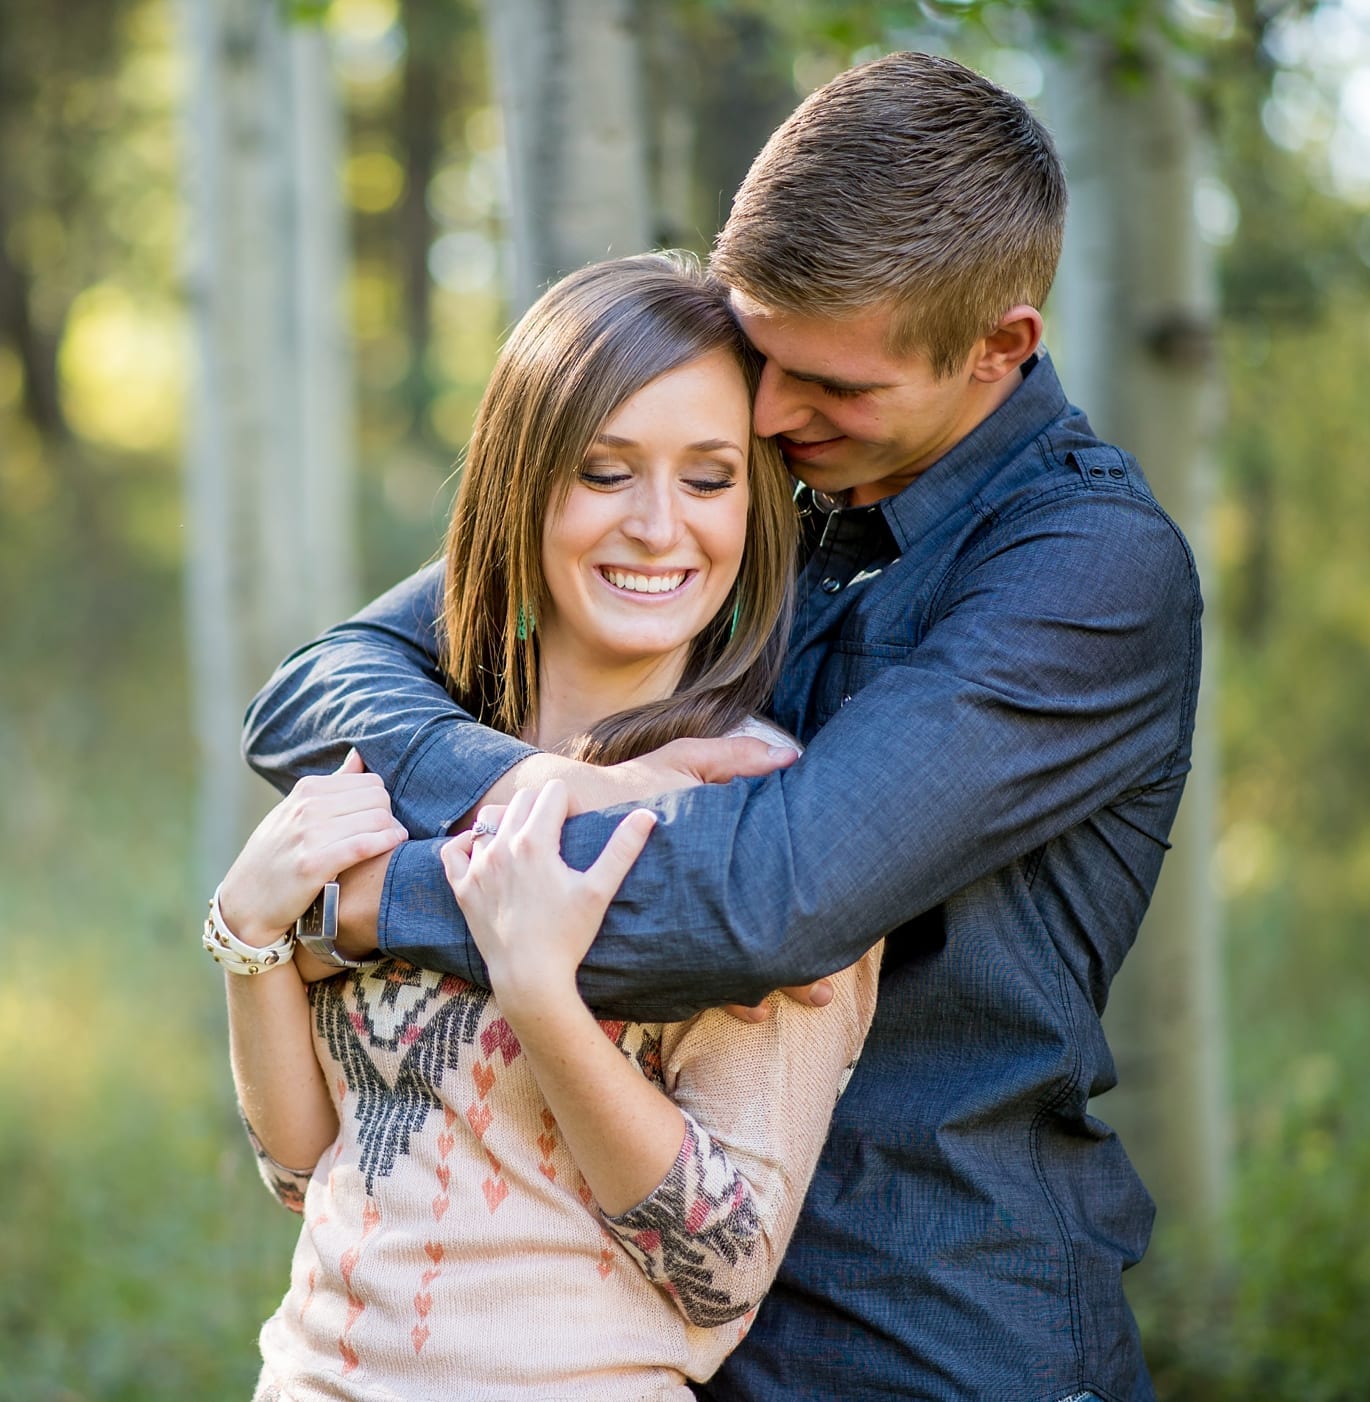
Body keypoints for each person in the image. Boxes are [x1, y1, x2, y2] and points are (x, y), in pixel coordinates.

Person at [243, 52, 1200, 1402]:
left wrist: (366, 896)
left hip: (923, 1335)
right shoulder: (759, 480)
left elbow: (762, 900)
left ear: (1002, 348)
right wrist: (544, 788)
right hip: (649, 1337)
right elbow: (325, 681)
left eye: (835, 387)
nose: (767, 414)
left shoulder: (1086, 570)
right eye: (764, 358)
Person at [209, 254, 882, 1400]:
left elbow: (721, 1273)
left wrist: (543, 999)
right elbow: (307, 1168)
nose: (659, 526)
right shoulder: (412, 771)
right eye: (605, 471)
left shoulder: (761, 807)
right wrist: (249, 940)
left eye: (710, 479)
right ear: (524, 487)